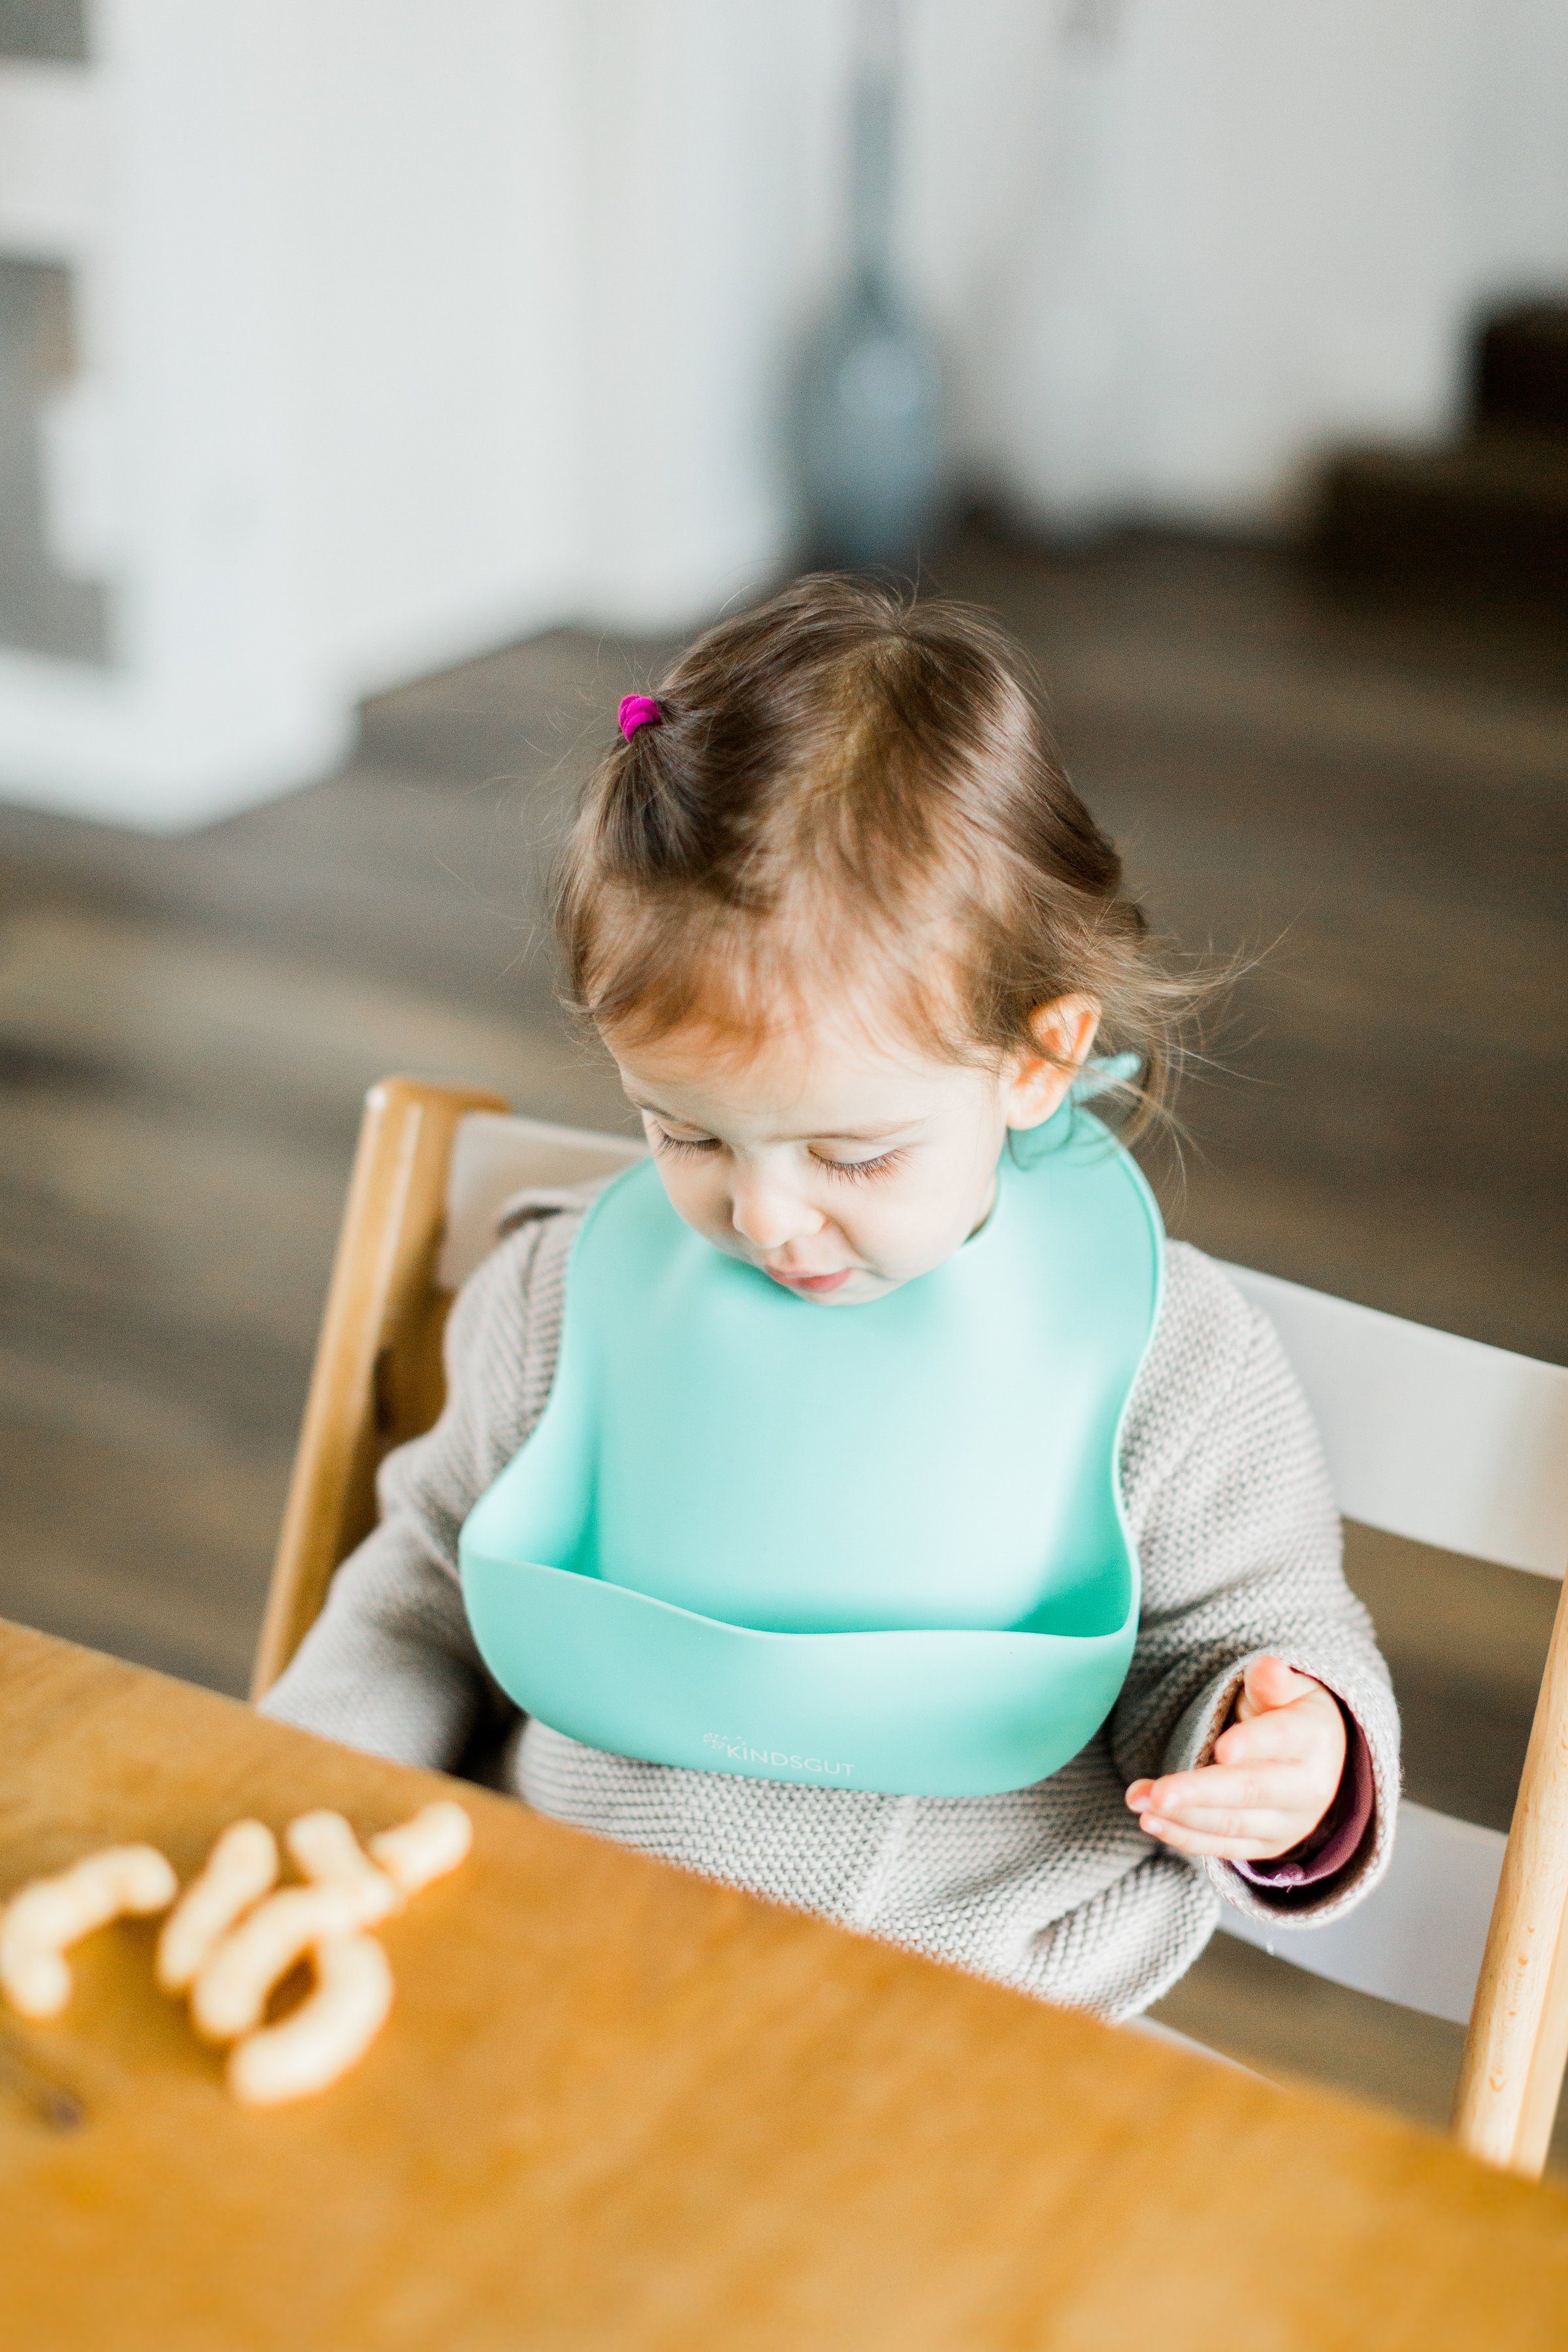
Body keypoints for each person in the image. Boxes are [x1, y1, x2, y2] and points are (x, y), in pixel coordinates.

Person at [262, 576, 1397, 2022]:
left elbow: (1244, 1633)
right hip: (560, 1956)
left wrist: (1283, 1753)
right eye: (686, 1132)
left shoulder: (1166, 1362)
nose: (766, 1215)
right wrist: (298, 1781)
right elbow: (426, 1584)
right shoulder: (560, 1302)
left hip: (968, 2028)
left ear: (1037, 1060)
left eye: (854, 1151)